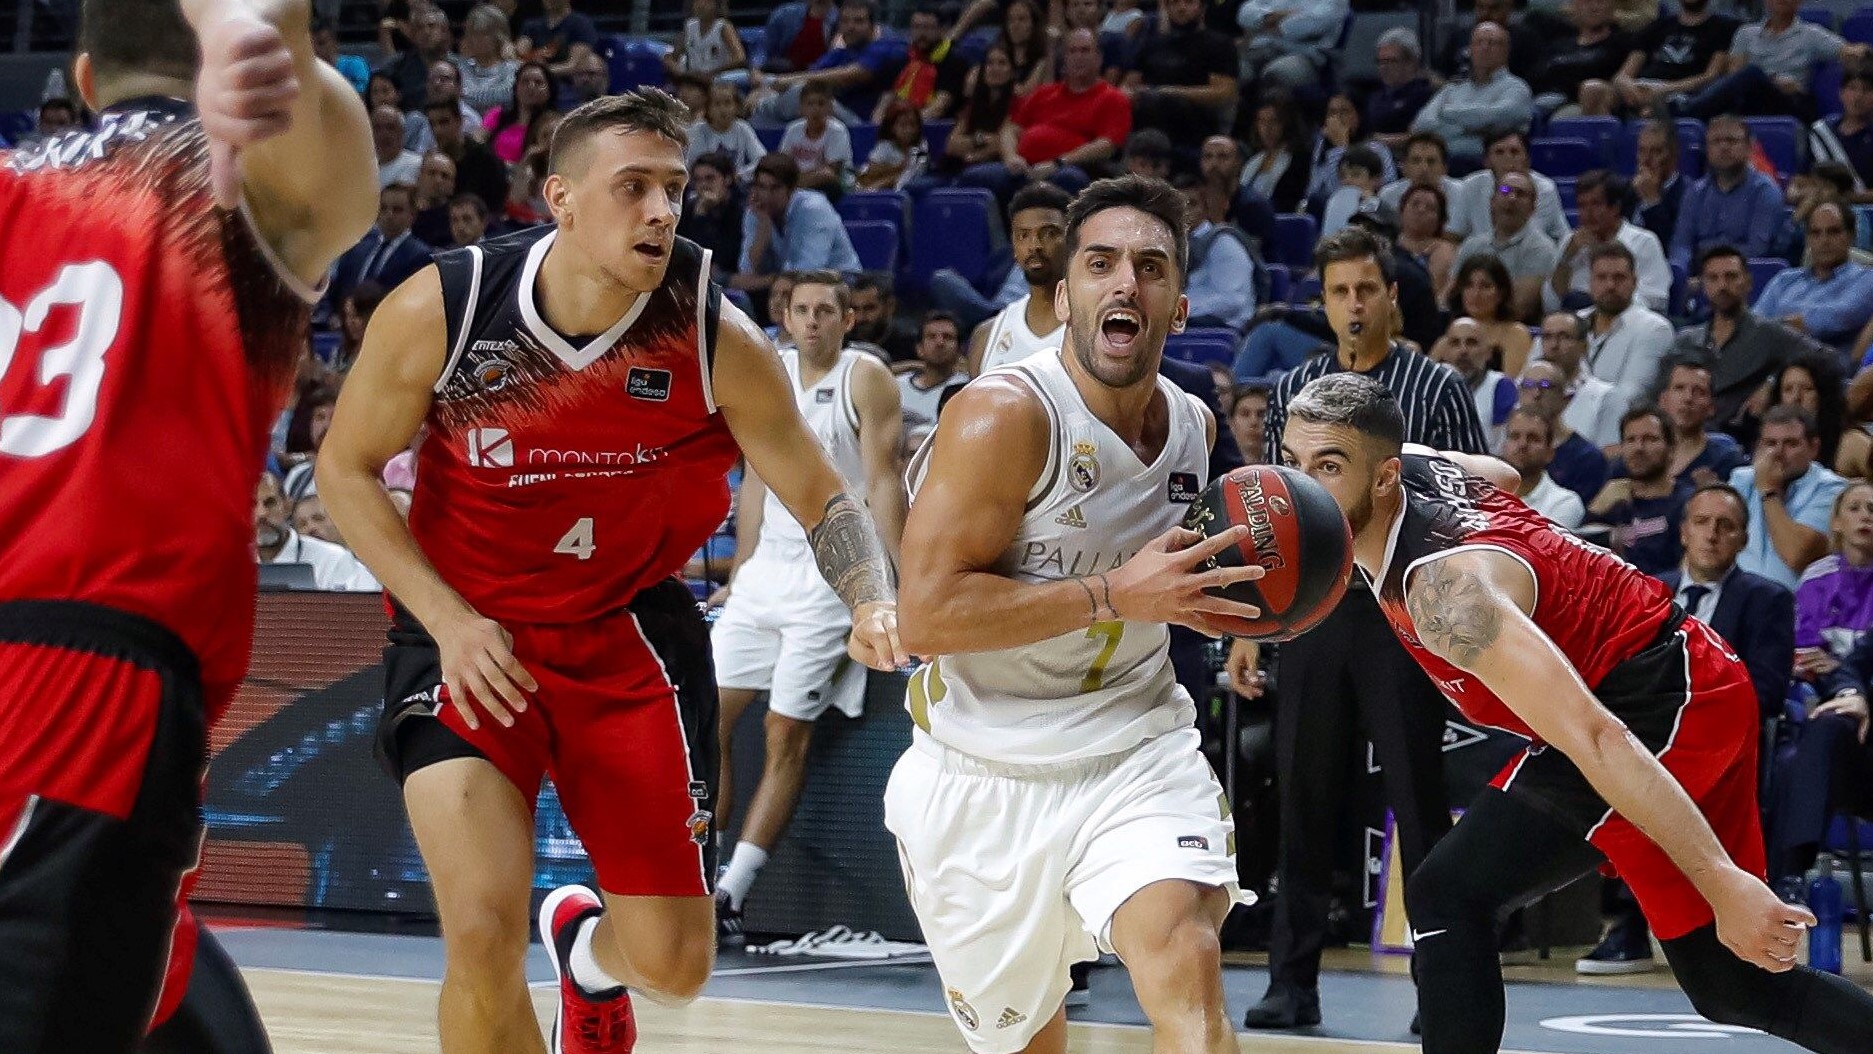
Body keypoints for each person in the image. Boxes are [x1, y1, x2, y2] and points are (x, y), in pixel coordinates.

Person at [316, 91, 904, 1054]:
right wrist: (447, 620)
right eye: (633, 187)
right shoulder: (446, 306)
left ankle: (587, 959)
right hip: (471, 640)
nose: (662, 211)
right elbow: (344, 469)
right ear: (561, 198)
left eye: (674, 188)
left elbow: (821, 494)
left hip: (627, 636)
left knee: (675, 966)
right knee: (479, 936)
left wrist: (871, 596)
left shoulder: (713, 335)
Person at [1278, 371, 1873, 1054]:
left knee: (1449, 892)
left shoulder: (1448, 597)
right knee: (1729, 984)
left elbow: (1597, 737)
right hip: (1672, 675)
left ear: (1383, 477)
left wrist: (1722, 882)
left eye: (1329, 467)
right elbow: (1502, 474)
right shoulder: (1414, 468)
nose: (1301, 487)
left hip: (1660, 703)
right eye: (1293, 461)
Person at [0, 0, 377, 1048]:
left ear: (83, 77)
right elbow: (306, 103)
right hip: (87, 681)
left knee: (175, 1006)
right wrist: (249, 36)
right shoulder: (222, 177)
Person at [888, 174, 1259, 1054]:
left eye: (1150, 267)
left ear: (1178, 305)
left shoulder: (1194, 427)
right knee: (1027, 1040)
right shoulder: (1002, 415)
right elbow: (926, 616)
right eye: (1100, 264)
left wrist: (1221, 606)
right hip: (984, 769)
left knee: (1186, 955)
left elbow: (1176, 582)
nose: (1126, 281)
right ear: (1062, 299)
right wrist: (1114, 595)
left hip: (1136, 746)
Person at [1245, 227, 1487, 1032]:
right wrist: (1253, 623)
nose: (1352, 304)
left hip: (1403, 610)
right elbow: (1273, 517)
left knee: (1419, 803)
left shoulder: (1435, 385)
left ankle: (1442, 986)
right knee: (1302, 800)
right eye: (1338, 292)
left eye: (1364, 290)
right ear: (1321, 303)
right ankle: (1290, 983)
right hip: (1315, 610)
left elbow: (1471, 506)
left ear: (1390, 297)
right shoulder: (1294, 385)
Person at [711, 271, 905, 944]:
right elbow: (754, 483)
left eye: (826, 310)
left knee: (782, 732)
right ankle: (696, 876)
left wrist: (891, 582)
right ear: (785, 317)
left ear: (849, 320)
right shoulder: (766, 371)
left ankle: (732, 893)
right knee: (703, 722)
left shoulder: (866, 378)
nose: (814, 320)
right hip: (765, 576)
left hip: (831, 578)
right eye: (803, 310)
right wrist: (740, 570)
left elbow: (884, 480)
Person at [1671, 245, 1818, 432]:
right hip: (1686, 433)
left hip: (1740, 435)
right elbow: (1657, 394)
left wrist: (1772, 384)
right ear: (1703, 286)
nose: (1722, 286)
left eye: (1731, 277)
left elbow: (1824, 358)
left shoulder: (1770, 333)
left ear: (1748, 282)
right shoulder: (1685, 340)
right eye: (1713, 278)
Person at [1729, 405, 1848, 591]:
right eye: (1770, 443)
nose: (1778, 453)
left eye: (1791, 444)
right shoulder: (1741, 479)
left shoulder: (1832, 489)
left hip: (1795, 602)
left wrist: (1769, 491)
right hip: (1738, 598)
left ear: (1814, 448)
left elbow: (1797, 555)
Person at [967, 182, 1071, 375]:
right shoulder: (987, 334)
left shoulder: (1094, 327)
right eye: (1023, 235)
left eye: (1049, 233)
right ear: (1014, 247)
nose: (1035, 245)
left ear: (1072, 242)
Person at [1582, 406, 1694, 576]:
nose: (1638, 448)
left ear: (1671, 449)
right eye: (1630, 440)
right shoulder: (1610, 500)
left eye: (1650, 439)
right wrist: (1595, 510)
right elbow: (1578, 560)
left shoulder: (1688, 503)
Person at [1410, 22, 1534, 162]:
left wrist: (1448, 114)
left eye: (1492, 43)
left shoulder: (1517, 88)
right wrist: (1476, 129)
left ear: (1506, 50)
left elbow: (1498, 118)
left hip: (1491, 167)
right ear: (1470, 50)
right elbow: (1422, 125)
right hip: (1443, 165)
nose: (1484, 48)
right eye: (1478, 43)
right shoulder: (1452, 89)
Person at [1500, 406, 1587, 528]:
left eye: (1533, 438)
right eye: (1515, 436)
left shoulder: (1564, 502)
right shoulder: (1482, 493)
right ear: (1503, 447)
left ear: (1550, 453)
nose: (1522, 444)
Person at [897, 310, 969, 454]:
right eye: (931, 337)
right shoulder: (896, 385)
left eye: (947, 337)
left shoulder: (966, 390)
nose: (939, 342)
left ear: (960, 349)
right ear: (919, 348)